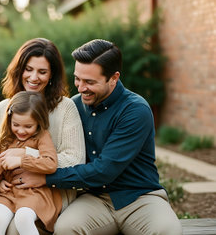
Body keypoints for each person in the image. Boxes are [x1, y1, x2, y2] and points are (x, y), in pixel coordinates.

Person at [15, 39, 182, 234]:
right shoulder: (74, 106)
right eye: (77, 78)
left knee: (167, 231)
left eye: (89, 82)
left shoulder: (135, 110)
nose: (80, 87)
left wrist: (46, 178)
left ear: (114, 78)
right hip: (95, 199)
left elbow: (104, 170)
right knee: (65, 228)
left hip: (139, 197)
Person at [0, 38, 86, 234]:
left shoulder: (65, 107)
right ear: (18, 71)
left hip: (50, 191)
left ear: (51, 76)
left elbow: (75, 159)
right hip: (10, 191)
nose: (34, 77)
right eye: (28, 69)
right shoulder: (2, 109)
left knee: (16, 228)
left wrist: (22, 158)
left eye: (42, 72)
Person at [0, 91, 61, 235]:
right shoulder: (2, 139)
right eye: (16, 125)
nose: (21, 130)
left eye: (28, 126)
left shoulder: (42, 136)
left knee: (23, 219)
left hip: (33, 193)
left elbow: (51, 163)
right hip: (8, 192)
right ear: (9, 120)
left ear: (39, 122)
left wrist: (22, 160)